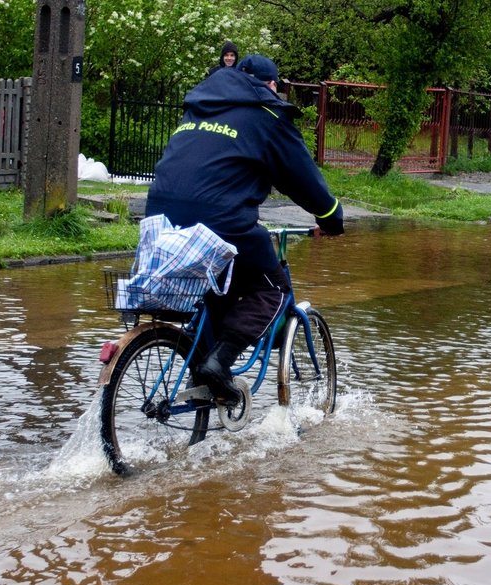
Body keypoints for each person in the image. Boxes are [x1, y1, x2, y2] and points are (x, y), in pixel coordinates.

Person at [145, 54, 344, 404]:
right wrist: (331, 217)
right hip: (219, 221)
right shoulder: (267, 115)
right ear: (271, 86)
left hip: (159, 220)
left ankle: (204, 382)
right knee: (273, 291)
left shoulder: (199, 106)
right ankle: (218, 363)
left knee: (218, 285)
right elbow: (302, 179)